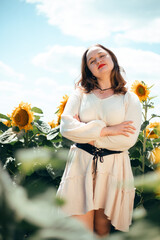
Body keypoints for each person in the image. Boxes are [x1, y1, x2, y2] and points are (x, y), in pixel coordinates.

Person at [56, 44, 142, 237]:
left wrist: (87, 134)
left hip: (113, 167)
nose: (98, 61)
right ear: (88, 69)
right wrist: (107, 130)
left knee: (102, 231)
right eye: (92, 61)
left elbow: (127, 140)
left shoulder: (130, 98)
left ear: (112, 58)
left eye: (101, 56)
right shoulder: (80, 94)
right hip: (81, 165)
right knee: (82, 232)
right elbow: (66, 128)